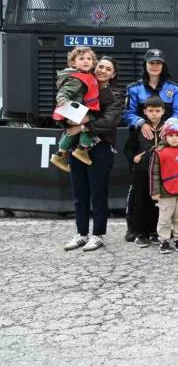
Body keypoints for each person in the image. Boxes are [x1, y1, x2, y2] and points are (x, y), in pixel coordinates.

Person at [123, 48, 178, 242]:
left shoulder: (174, 89)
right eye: (151, 62)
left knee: (161, 191)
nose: (155, 66)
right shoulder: (134, 89)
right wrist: (141, 123)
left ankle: (157, 230)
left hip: (166, 142)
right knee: (138, 191)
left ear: (163, 65)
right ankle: (134, 229)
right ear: (146, 65)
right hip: (141, 140)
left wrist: (169, 126)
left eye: (158, 63)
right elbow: (127, 113)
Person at [62, 56, 123, 252]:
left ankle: (97, 235)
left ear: (113, 74)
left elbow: (108, 122)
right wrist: (67, 120)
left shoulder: (115, 95)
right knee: (79, 193)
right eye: (101, 66)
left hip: (101, 148)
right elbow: (63, 112)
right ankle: (81, 234)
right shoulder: (80, 86)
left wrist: (81, 127)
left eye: (108, 69)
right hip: (76, 147)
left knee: (98, 193)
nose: (102, 70)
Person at [123, 96, 166, 248]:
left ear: (163, 111)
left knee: (156, 203)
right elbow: (127, 149)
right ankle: (139, 233)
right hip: (141, 171)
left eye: (157, 111)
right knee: (140, 202)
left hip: (160, 173)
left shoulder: (167, 129)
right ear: (145, 112)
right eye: (151, 111)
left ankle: (154, 231)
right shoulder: (138, 130)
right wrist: (134, 158)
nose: (154, 114)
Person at [50, 46, 101, 171]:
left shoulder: (84, 76)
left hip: (71, 111)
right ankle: (82, 149)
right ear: (73, 63)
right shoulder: (77, 78)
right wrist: (62, 98)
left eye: (89, 58)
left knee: (72, 132)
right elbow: (64, 91)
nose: (86, 61)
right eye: (81, 58)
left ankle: (60, 154)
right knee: (91, 121)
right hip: (73, 111)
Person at [149, 118, 178, 255]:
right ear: (165, 136)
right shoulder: (158, 152)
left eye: (177, 135)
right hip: (165, 191)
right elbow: (154, 173)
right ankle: (163, 240)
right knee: (165, 217)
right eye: (170, 135)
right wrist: (155, 191)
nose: (174, 138)